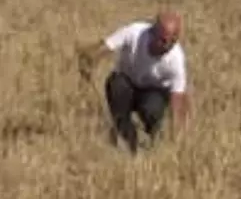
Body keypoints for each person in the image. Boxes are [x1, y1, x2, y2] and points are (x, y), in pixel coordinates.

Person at [77, 10, 191, 154]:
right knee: (116, 85)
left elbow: (178, 100)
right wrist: (89, 62)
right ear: (153, 32)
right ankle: (126, 137)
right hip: (126, 83)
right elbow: (106, 46)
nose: (167, 46)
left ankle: (153, 141)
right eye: (163, 40)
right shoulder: (134, 32)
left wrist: (178, 139)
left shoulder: (176, 60)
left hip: (152, 92)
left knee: (153, 109)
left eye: (173, 42)